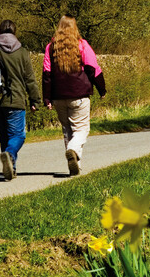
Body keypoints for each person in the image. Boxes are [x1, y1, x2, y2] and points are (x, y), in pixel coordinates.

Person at [42, 14, 106, 176]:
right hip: (79, 94)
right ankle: (72, 150)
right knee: (81, 130)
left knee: (67, 130)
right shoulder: (82, 45)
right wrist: (101, 89)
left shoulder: (50, 48)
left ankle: (75, 166)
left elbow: (47, 75)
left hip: (58, 96)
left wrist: (47, 98)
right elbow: (93, 69)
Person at [0, 19, 42, 181]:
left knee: (4, 136)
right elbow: (30, 79)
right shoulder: (22, 51)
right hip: (15, 100)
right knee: (18, 135)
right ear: (15, 32)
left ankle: (12, 169)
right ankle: (10, 156)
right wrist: (35, 100)